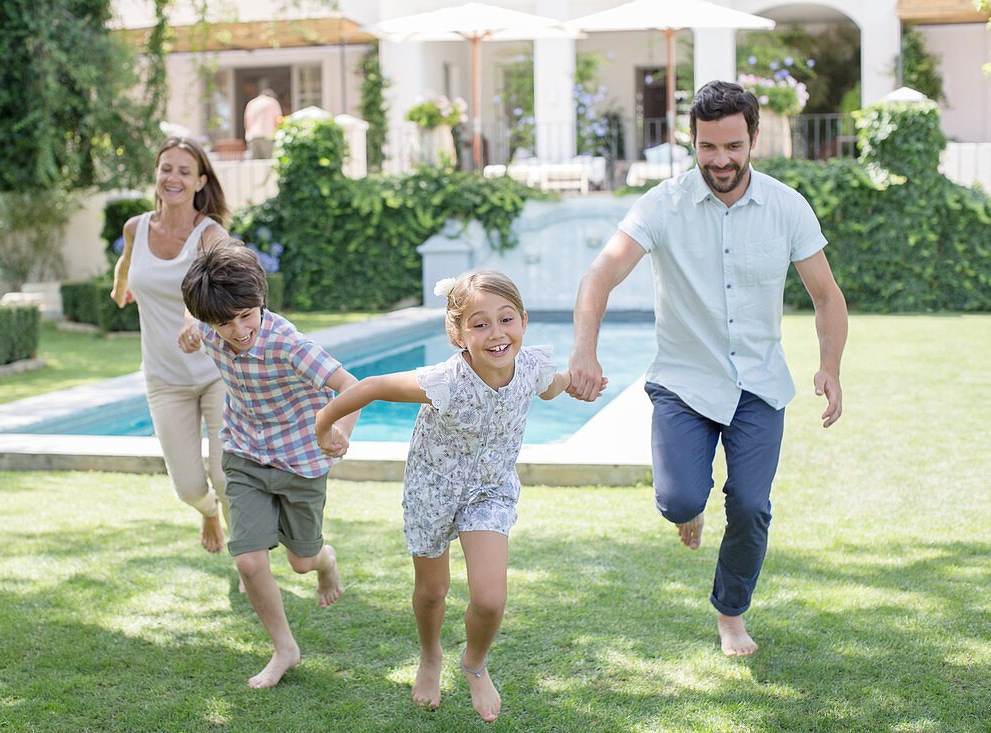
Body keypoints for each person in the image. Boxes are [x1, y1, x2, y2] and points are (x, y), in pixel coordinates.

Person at [568, 80, 848, 657]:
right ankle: (689, 508)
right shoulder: (660, 205)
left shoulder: (787, 206)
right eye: (707, 147)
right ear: (691, 142)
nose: (721, 161)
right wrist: (583, 349)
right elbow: (600, 275)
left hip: (758, 386)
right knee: (679, 500)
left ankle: (731, 611)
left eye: (733, 147)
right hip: (684, 383)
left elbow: (826, 295)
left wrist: (830, 366)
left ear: (753, 139)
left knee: (749, 505)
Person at [314, 270, 587, 722]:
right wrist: (326, 424)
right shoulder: (443, 381)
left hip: (489, 490)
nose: (496, 334)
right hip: (432, 490)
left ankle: (475, 664)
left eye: (506, 320)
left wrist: (575, 386)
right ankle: (430, 656)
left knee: (490, 598)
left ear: (523, 320)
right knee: (433, 589)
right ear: (457, 334)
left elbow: (552, 384)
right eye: (479, 324)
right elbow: (372, 387)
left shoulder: (532, 368)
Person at [180, 243, 359, 689]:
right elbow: (192, 320)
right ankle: (285, 648)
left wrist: (342, 431)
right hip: (244, 454)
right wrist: (189, 329)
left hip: (301, 460)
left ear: (260, 301)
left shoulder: (288, 344)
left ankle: (326, 561)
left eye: (247, 315)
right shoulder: (209, 330)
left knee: (302, 562)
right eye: (225, 322)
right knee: (248, 562)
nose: (239, 330)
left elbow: (352, 385)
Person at [110, 136, 235, 557]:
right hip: (164, 378)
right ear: (157, 174)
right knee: (187, 486)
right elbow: (128, 261)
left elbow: (219, 291)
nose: (173, 178)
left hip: (216, 375)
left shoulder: (210, 234)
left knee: (226, 474)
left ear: (200, 181)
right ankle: (207, 513)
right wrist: (120, 285)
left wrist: (192, 319)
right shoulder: (136, 227)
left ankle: (247, 558)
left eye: (184, 171)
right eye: (167, 169)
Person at [243, 88, 282, 159]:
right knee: (269, 163)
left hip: (252, 136)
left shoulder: (251, 103)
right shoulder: (272, 102)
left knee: (254, 164)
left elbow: (247, 121)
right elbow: (278, 119)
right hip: (267, 135)